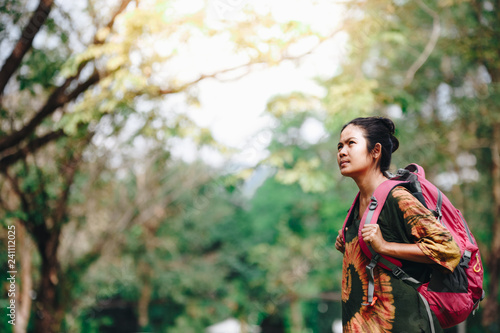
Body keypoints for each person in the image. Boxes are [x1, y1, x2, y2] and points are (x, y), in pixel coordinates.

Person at [334, 116, 461, 333]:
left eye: (351, 143)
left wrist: (384, 247)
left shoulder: (397, 197)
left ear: (376, 151)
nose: (342, 152)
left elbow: (448, 250)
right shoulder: (358, 204)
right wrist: (349, 243)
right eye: (340, 146)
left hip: (405, 324)